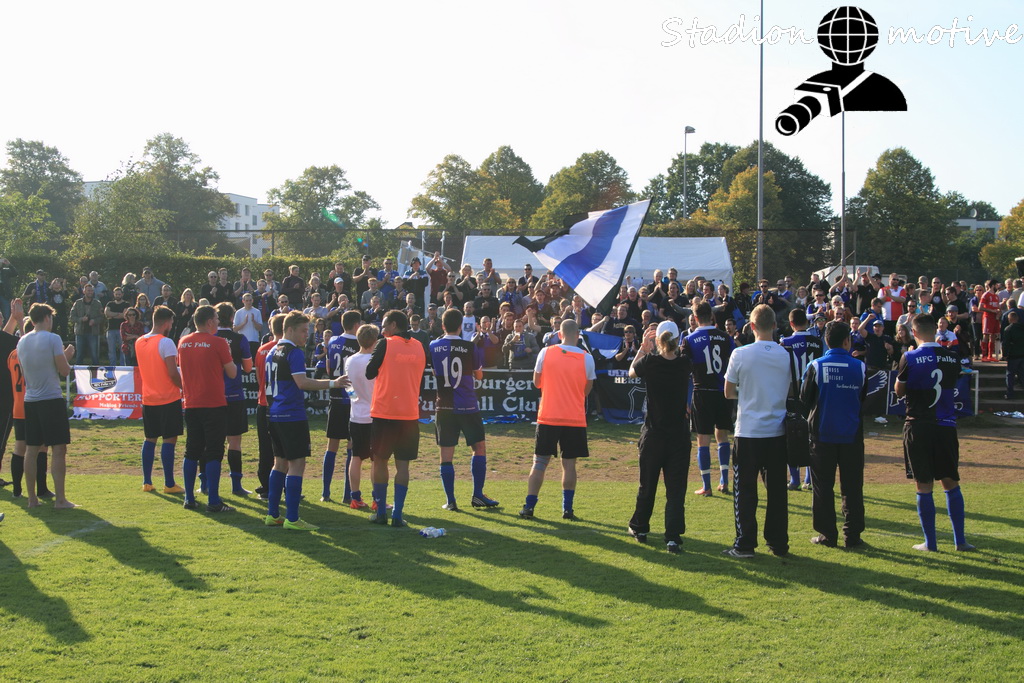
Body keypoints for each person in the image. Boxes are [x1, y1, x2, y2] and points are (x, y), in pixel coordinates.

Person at [894, 314, 974, 552]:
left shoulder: (909, 357)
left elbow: (899, 391)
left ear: (914, 332)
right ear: (935, 331)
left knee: (924, 484)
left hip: (919, 425)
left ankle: (931, 543)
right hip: (946, 425)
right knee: (950, 482)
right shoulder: (952, 357)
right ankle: (960, 541)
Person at [262, 312, 348, 531]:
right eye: (303, 330)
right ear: (289, 330)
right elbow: (302, 383)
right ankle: (292, 518)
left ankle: (272, 514)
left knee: (279, 463)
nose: (306, 335)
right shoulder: (293, 352)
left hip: (274, 413)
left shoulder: (271, 351)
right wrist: (333, 383)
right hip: (291, 415)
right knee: (297, 464)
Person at [722, 304, 791, 558]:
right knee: (777, 491)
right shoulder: (785, 355)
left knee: (745, 490)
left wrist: (747, 392)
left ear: (751, 327)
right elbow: (789, 390)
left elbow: (728, 392)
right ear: (774, 325)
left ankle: (745, 544)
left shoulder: (740, 354)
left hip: (749, 431)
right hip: (776, 430)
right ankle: (778, 542)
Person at [519, 319, 596, 521]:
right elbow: (586, 390)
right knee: (569, 465)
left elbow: (537, 382)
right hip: (574, 418)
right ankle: (567, 509)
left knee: (539, 463)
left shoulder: (546, 352)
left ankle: (529, 507)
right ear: (578, 336)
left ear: (559, 334)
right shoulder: (587, 358)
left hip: (548, 416)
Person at [800, 321, 867, 548]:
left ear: (826, 341)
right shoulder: (860, 367)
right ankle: (853, 536)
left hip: (822, 436)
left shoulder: (816, 366)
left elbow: (805, 399)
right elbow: (862, 398)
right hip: (851, 436)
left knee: (822, 487)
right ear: (847, 341)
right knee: (853, 487)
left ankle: (827, 535)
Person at [626, 321, 692, 553]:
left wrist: (643, 349)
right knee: (676, 489)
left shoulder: (650, 362)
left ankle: (640, 527)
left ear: (658, 340)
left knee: (647, 484)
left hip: (654, 434)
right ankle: (672, 537)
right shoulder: (684, 363)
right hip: (678, 435)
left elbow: (631, 372)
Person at [430, 308, 499, 512]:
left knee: (446, 454)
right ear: (461, 326)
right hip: (468, 405)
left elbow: (434, 371)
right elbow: (479, 375)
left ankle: (451, 501)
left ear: (443, 326)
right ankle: (477, 495)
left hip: (444, 406)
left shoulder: (433, 346)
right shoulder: (470, 346)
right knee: (479, 448)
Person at [363, 310, 426, 527]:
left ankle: (381, 512)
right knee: (403, 465)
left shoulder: (385, 344)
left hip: (385, 412)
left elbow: (369, 372)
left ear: (393, 325)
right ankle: (398, 514)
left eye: (384, 326)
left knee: (380, 460)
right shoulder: (419, 346)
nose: (382, 331)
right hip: (409, 414)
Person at [177, 304, 237, 513]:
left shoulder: (183, 342)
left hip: (191, 403)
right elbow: (232, 372)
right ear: (210, 322)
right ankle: (213, 500)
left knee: (191, 450)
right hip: (214, 404)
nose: (218, 323)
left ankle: (189, 497)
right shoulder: (218, 342)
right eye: (217, 320)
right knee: (214, 451)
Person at [19, 304, 76, 509]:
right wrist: (68, 355)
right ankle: (60, 500)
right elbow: (64, 370)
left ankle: (32, 499)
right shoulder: (53, 339)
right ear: (46, 318)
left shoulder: (22, 341)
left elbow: (28, 371)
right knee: (58, 448)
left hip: (30, 400)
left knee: (31, 449)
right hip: (51, 399)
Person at [682, 302, 736, 497]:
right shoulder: (725, 337)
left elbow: (684, 369)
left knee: (703, 438)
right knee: (723, 436)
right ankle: (724, 481)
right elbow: (734, 361)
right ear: (712, 317)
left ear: (695, 318)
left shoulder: (689, 339)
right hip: (722, 391)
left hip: (702, 392)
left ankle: (707, 485)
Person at [135, 305, 186, 495]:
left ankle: (147, 482)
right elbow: (172, 372)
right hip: (168, 397)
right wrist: (184, 387)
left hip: (148, 397)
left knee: (150, 438)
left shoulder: (140, 341)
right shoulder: (166, 342)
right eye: (171, 322)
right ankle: (169, 483)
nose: (171, 326)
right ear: (166, 323)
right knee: (169, 439)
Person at [322, 310, 362, 505]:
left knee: (332, 446)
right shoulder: (359, 344)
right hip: (352, 400)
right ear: (356, 325)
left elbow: (328, 367)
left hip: (335, 397)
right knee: (351, 447)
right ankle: (348, 494)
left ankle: (325, 493)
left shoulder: (333, 341)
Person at [781, 308, 824, 490]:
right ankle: (809, 478)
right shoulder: (817, 342)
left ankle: (794, 479)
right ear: (806, 323)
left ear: (791, 324)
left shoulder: (785, 342)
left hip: (793, 392)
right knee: (812, 434)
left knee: (792, 435)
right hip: (814, 392)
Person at [344, 324, 379, 512]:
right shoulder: (375, 360)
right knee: (376, 459)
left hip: (356, 414)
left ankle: (355, 497)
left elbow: (347, 387)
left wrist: (356, 400)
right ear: (374, 341)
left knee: (356, 457)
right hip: (374, 415)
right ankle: (377, 499)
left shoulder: (350, 360)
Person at [253, 314, 285, 499]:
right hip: (281, 405)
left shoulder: (262, 350)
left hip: (264, 402)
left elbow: (259, 377)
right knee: (284, 447)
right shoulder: (288, 349)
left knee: (265, 447)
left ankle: (266, 486)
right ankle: (287, 485)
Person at [70, 283, 103, 365]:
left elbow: (102, 317)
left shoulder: (97, 303)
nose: (90, 292)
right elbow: (72, 317)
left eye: (91, 291)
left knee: (94, 355)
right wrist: (81, 319)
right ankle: (78, 372)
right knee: (79, 354)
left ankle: (96, 371)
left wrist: (94, 321)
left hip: (93, 332)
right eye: (88, 290)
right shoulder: (77, 303)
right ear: (84, 291)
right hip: (80, 332)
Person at [1001, 310, 1024, 400]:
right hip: (1022, 355)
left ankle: (1010, 394)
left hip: (1013, 356)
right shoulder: (1022, 328)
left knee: (1010, 375)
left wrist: (1005, 354)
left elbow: (1006, 344)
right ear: (1017, 318)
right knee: (1022, 374)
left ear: (1009, 319)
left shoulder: (1008, 329)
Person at [233, 292, 263, 358]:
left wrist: (253, 321)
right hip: (242, 340)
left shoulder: (257, 311)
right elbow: (235, 329)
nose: (248, 302)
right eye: (247, 300)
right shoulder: (238, 312)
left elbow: (260, 328)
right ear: (243, 301)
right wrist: (244, 323)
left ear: (252, 300)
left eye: (250, 300)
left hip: (254, 340)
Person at [104, 287, 129, 365]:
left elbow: (124, 315)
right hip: (111, 330)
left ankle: (122, 367)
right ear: (114, 294)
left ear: (122, 294)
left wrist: (112, 315)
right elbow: (106, 313)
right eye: (116, 294)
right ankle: (112, 366)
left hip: (122, 330)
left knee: (123, 349)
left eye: (119, 294)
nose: (118, 295)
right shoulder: (110, 304)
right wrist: (118, 314)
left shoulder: (126, 304)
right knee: (111, 350)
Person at [979, 279, 1001, 362]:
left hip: (995, 318)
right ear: (993, 285)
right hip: (987, 317)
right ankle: (984, 356)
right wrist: (992, 311)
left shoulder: (996, 296)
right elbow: (980, 307)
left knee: (994, 336)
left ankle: (990, 355)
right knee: (986, 336)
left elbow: (997, 307)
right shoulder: (986, 295)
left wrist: (998, 313)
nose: (998, 287)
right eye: (997, 285)